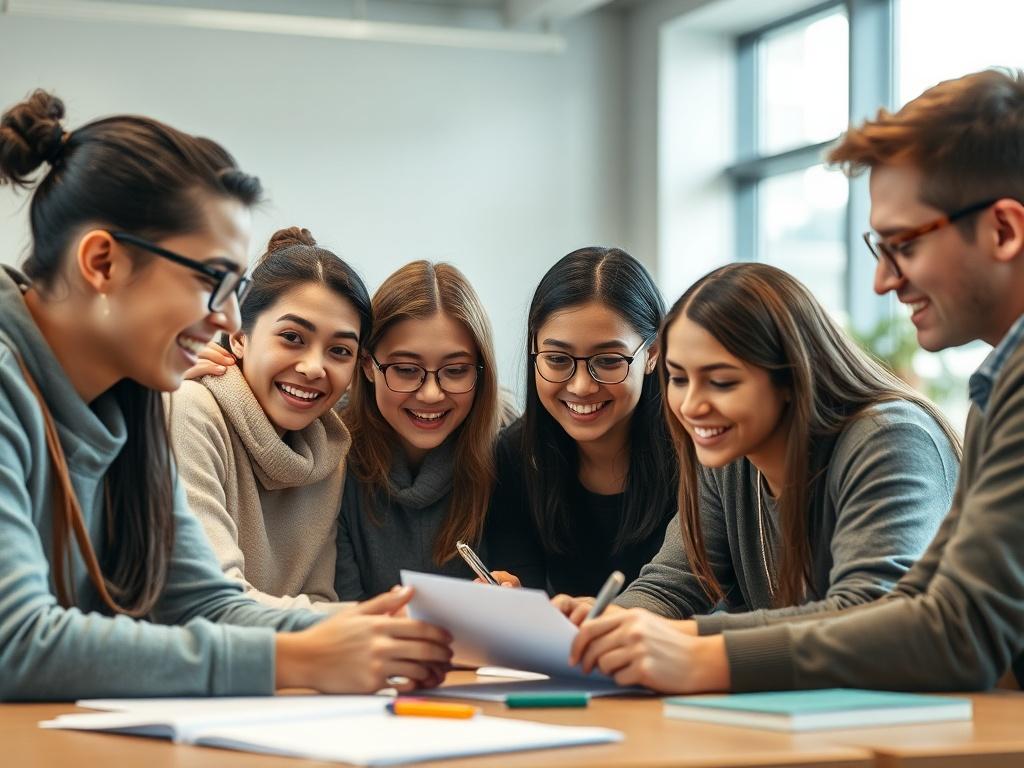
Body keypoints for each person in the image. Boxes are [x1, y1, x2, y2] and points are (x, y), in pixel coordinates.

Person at [569, 68, 1024, 693]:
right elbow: (920, 605)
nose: (883, 282)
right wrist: (629, 632)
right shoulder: (997, 388)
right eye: (678, 378)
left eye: (904, 245)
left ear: (1003, 229)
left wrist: (701, 654)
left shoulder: (906, 429)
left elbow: (950, 630)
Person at [0, 90, 450, 700]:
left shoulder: (132, 401)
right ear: (102, 262)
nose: (230, 319)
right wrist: (292, 660)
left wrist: (378, 629)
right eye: (213, 281)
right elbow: (15, 642)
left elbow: (200, 602)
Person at [558, 262, 958, 633]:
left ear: (791, 378)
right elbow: (673, 586)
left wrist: (679, 635)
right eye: (679, 379)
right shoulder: (729, 452)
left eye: (722, 382)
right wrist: (602, 627)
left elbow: (870, 612)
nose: (692, 406)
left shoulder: (889, 438)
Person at [169, 226, 370, 610]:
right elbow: (210, 601)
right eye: (292, 337)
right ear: (238, 336)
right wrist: (378, 620)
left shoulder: (327, 451)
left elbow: (317, 597)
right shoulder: (190, 410)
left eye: (340, 350)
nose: (314, 368)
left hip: (275, 664)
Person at [486, 247, 678, 596]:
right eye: (558, 359)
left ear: (652, 354)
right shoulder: (515, 455)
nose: (581, 386)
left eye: (607, 360)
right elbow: (523, 588)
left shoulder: (695, 455)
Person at [334, 261, 503, 600]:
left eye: (455, 370)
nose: (431, 394)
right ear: (367, 364)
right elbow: (341, 607)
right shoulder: (330, 445)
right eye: (407, 369)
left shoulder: (508, 449)